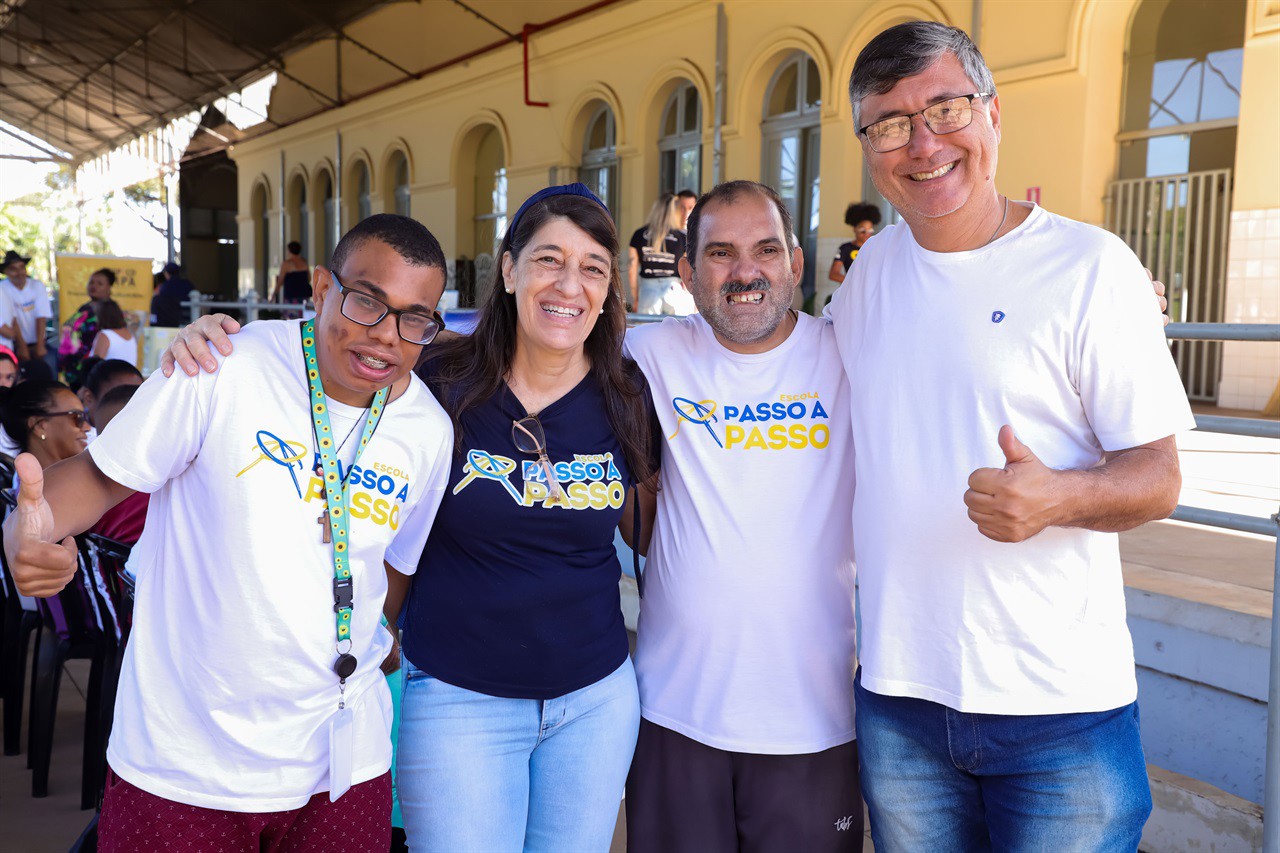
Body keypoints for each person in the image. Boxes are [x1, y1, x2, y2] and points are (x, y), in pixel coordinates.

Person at [159, 184, 660, 852]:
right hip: (460, 701)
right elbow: (320, 365)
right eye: (548, 259)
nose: (569, 284)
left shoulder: (626, 393)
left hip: (595, 702)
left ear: (609, 288)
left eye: (592, 267)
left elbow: (652, 534)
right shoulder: (436, 378)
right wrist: (219, 342)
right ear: (507, 270)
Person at [829, 22, 1194, 851]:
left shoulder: (1091, 268)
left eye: (947, 107)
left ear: (993, 114)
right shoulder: (866, 280)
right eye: (890, 123)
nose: (923, 143)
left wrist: (1061, 495)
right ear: (869, 147)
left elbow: (1160, 476)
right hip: (899, 698)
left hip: (1058, 708)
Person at [3, 213, 456, 850]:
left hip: (343, 765)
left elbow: (394, 570)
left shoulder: (428, 430)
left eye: (415, 318)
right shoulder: (221, 366)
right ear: (322, 287)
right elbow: (95, 482)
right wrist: (20, 536)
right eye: (367, 302)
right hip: (188, 762)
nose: (386, 337)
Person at [624, 180, 862, 852]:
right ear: (691, 273)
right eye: (722, 253)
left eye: (764, 250)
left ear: (793, 261)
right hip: (675, 714)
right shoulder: (649, 357)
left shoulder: (850, 354)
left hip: (813, 721)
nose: (745, 271)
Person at [0, 379, 91, 473]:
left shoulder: (88, 479)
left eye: (85, 417)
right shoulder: (26, 487)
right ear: (40, 427)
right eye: (77, 417)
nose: (87, 427)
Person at [629, 194, 694, 316]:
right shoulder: (682, 237)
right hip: (674, 291)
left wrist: (636, 297)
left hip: (648, 291)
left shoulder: (639, 234)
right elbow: (688, 269)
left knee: (648, 333)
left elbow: (632, 267)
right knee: (678, 333)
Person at [58, 268, 115, 387]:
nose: (94, 286)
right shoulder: (85, 308)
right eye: (91, 282)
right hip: (73, 369)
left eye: (100, 283)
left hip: (89, 372)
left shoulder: (109, 312)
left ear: (109, 288)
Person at [2, 250, 53, 367]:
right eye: (13, 269)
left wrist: (40, 345)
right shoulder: (3, 288)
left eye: (21, 267)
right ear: (6, 272)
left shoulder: (37, 285)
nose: (19, 272)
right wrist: (22, 346)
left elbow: (41, 316)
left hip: (38, 342)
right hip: (15, 344)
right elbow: (12, 319)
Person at [827, 202, 881, 285]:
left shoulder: (876, 248)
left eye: (869, 231)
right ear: (854, 229)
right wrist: (855, 283)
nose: (866, 234)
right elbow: (833, 274)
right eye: (863, 231)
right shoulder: (845, 248)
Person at [79, 359, 143, 429]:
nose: (129, 406)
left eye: (137, 397)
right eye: (119, 398)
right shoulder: (77, 437)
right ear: (89, 398)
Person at [91, 300, 138, 367]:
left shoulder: (105, 335)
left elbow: (94, 366)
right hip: (129, 375)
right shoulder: (130, 335)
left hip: (108, 376)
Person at [150, 262, 192, 327]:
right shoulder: (188, 284)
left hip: (171, 320)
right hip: (190, 316)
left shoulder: (165, 286)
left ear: (166, 273)